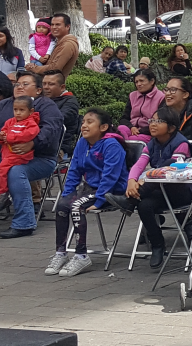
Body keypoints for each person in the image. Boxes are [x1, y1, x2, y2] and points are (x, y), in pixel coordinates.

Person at [0, 71, 63, 237]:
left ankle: (24, 224)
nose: (19, 87)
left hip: (37, 158)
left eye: (25, 84)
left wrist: (32, 143)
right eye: (17, 84)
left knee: (16, 171)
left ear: (38, 90)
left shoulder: (46, 105)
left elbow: (51, 129)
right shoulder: (3, 105)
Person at [106, 106, 191, 270]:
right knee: (144, 206)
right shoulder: (152, 144)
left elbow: (171, 170)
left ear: (171, 127)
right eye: (152, 120)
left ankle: (128, 202)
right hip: (159, 191)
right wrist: (132, 181)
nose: (152, 124)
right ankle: (158, 245)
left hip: (179, 192)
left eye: (158, 121)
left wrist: (145, 180)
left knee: (166, 167)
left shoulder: (181, 144)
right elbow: (139, 165)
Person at [45, 108, 127, 277]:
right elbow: (74, 169)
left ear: (103, 127)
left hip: (110, 191)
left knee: (76, 207)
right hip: (89, 189)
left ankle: (81, 255)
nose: (84, 126)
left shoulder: (112, 145)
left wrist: (98, 200)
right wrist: (67, 193)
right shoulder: (82, 143)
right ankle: (60, 252)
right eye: (83, 122)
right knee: (61, 205)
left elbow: (110, 176)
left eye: (90, 122)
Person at [0, 96, 41, 212]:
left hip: (20, 155)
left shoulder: (31, 123)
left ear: (30, 111)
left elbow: (29, 135)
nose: (18, 113)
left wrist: (10, 138)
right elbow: (2, 135)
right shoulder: (10, 121)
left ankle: (1, 194)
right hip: (7, 154)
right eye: (15, 110)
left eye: (22, 110)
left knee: (1, 169)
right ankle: (4, 194)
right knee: (1, 170)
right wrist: (1, 137)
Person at [117, 69, 165, 142]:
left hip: (148, 131)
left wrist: (140, 130)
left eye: (142, 81)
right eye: (136, 82)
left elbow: (161, 121)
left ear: (152, 81)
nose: (138, 84)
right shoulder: (132, 96)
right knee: (121, 130)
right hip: (132, 128)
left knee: (131, 139)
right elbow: (124, 118)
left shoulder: (161, 97)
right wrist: (131, 127)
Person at [42, 70, 80, 159]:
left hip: (58, 147)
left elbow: (59, 119)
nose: (46, 87)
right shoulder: (40, 99)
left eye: (51, 84)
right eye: (44, 84)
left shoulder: (70, 102)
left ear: (62, 87)